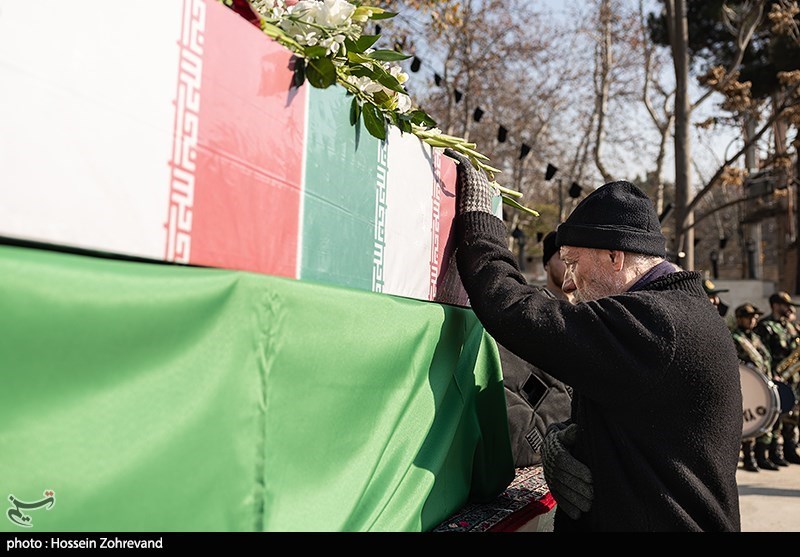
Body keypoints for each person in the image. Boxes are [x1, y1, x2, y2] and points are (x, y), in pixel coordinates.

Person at [444, 148, 742, 532]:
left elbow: (518, 313)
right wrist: (564, 440)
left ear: (615, 257)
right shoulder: (671, 314)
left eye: (572, 262)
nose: (568, 281)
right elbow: (634, 422)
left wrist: (482, 224)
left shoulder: (656, 324)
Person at [498, 230, 573, 468]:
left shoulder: (594, 320)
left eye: (576, 257)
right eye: (563, 256)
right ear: (547, 263)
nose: (571, 264)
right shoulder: (532, 312)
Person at [731, 303, 780, 471]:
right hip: (746, 385)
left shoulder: (755, 337)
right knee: (747, 422)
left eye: (755, 317)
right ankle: (749, 458)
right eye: (749, 317)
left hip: (762, 383)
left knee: (765, 421)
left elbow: (765, 358)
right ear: (739, 319)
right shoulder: (734, 337)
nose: (754, 320)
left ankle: (762, 457)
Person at [754, 291, 800, 465]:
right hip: (776, 375)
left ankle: (789, 449)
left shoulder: (788, 326)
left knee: (792, 415)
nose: (789, 309)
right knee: (775, 416)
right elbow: (764, 353)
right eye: (785, 305)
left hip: (792, 376)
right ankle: (771, 452)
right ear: (775, 305)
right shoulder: (765, 326)